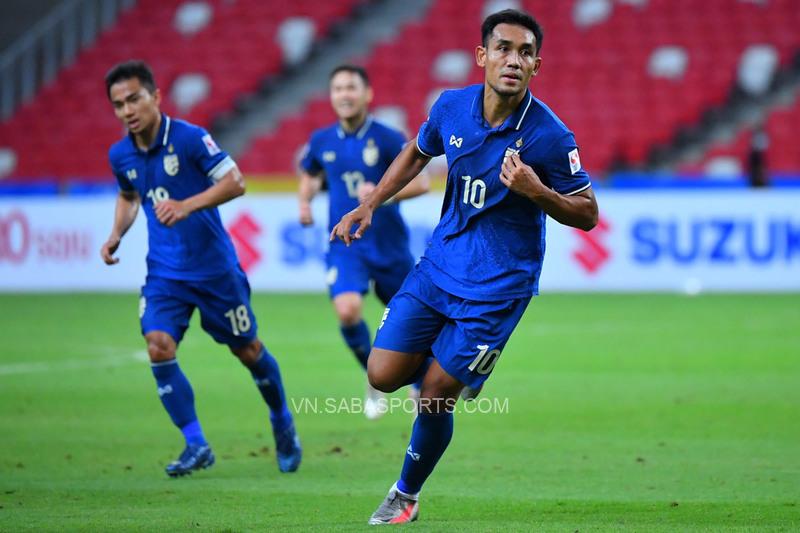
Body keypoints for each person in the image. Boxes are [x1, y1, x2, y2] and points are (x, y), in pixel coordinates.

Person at [331, 9, 598, 524]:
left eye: (525, 53)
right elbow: (416, 152)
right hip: (437, 267)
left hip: (499, 288)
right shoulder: (451, 107)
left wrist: (536, 191)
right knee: (382, 375)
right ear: (483, 56)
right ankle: (458, 364)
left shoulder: (549, 136)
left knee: (433, 396)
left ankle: (405, 494)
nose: (513, 60)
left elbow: (587, 213)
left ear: (536, 66)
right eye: (503, 48)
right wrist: (371, 203)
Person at [100, 60, 301, 477]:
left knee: (248, 351)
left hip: (214, 272)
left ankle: (282, 418)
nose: (127, 110)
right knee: (158, 344)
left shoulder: (190, 139)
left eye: (134, 99)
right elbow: (127, 194)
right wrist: (117, 232)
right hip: (164, 274)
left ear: (155, 97)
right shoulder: (120, 154)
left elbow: (236, 181)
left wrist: (186, 205)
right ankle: (195, 443)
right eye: (118, 104)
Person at [298, 65, 430, 419]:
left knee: (412, 320)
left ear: (367, 94)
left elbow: (423, 183)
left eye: (351, 87)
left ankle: (418, 384)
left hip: (388, 244)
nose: (344, 94)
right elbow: (310, 175)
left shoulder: (387, 138)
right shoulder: (321, 140)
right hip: (346, 245)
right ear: (331, 96)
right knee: (347, 310)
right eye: (338, 88)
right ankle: (373, 377)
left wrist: (379, 197)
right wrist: (304, 202)